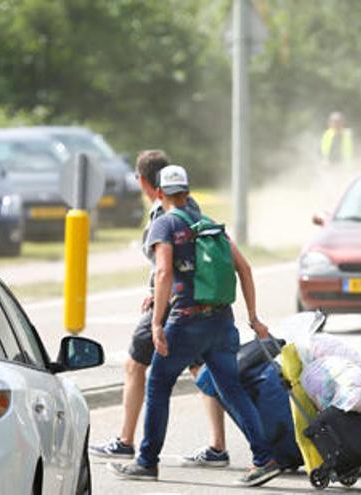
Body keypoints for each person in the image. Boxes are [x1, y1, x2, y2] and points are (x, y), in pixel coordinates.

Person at [108, 164, 282, 487]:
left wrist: (157, 323)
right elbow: (244, 269)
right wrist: (254, 317)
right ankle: (264, 458)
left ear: (159, 193)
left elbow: (163, 274)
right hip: (221, 321)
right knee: (231, 388)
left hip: (186, 322)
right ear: (187, 191)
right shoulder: (209, 224)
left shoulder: (165, 225)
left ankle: (146, 462)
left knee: (158, 384)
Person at [89, 150, 221, 460]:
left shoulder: (164, 212)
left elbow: (165, 267)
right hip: (195, 301)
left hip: (172, 305)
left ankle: (126, 441)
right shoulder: (190, 206)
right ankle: (218, 446)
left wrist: (157, 312)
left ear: (144, 181)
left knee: (135, 365)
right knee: (201, 368)